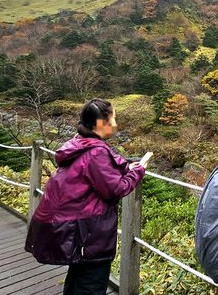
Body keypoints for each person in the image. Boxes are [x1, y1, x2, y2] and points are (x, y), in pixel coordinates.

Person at [25, 98, 146, 295]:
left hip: (77, 233)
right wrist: (137, 172)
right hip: (89, 235)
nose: (115, 124)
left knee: (76, 280)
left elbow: (105, 165)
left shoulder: (79, 142)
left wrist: (126, 166)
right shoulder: (96, 152)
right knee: (90, 285)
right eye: (113, 119)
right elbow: (116, 189)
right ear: (100, 124)